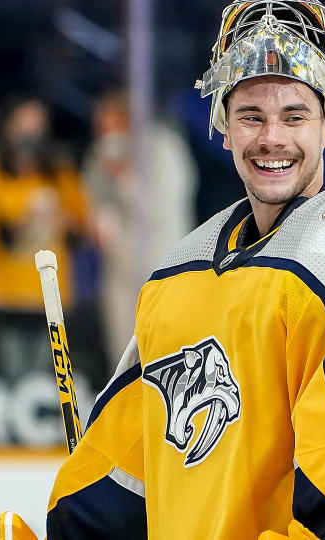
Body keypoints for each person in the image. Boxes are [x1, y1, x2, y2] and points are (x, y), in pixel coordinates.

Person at [0, 2, 325, 539]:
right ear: (223, 128)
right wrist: (75, 531)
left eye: (295, 116)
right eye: (251, 116)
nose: (272, 137)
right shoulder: (180, 271)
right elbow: (135, 462)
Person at [0, 95, 89, 382]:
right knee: (10, 377)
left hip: (51, 295)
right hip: (5, 294)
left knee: (47, 379)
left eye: (36, 127)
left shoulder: (60, 175)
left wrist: (64, 223)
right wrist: (13, 230)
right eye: (22, 126)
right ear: (7, 128)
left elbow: (81, 228)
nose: (29, 136)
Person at [83, 88, 198, 364]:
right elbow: (90, 197)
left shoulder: (162, 146)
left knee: (163, 352)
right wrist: (98, 221)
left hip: (161, 266)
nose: (103, 130)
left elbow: (160, 208)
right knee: (120, 351)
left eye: (109, 122)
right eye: (99, 124)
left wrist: (124, 178)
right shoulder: (101, 153)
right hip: (119, 270)